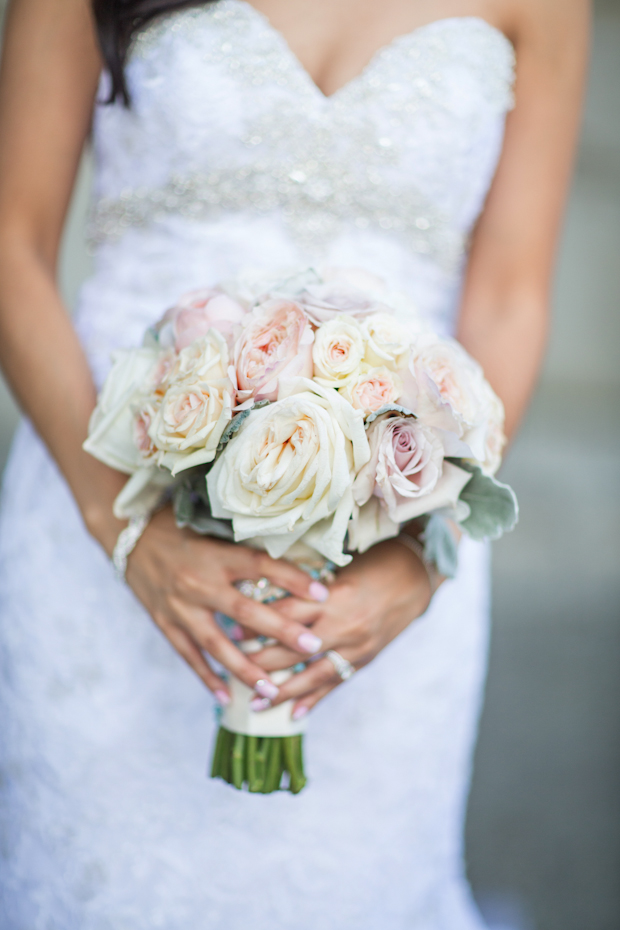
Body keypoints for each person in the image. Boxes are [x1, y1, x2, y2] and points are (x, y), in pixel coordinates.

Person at [0, 0, 587, 927]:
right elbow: (9, 242)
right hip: (99, 507)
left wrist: (421, 557)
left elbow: (511, 294)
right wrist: (124, 524)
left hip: (391, 538)